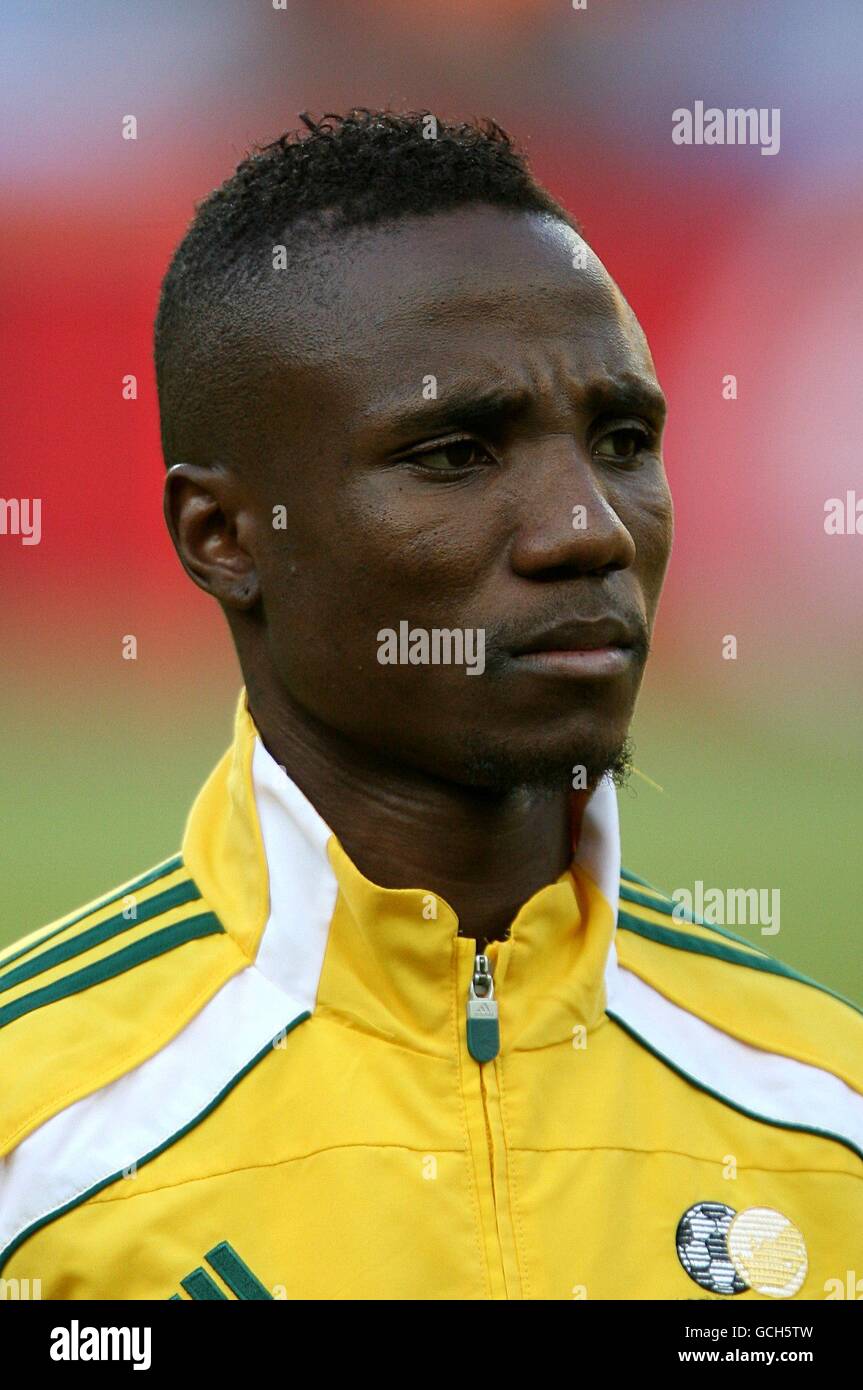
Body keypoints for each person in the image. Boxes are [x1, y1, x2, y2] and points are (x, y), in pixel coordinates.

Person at [1, 110, 860, 1301]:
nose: (589, 528)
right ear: (223, 537)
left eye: (621, 438)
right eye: (455, 452)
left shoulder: (828, 1120)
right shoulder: (32, 1147)